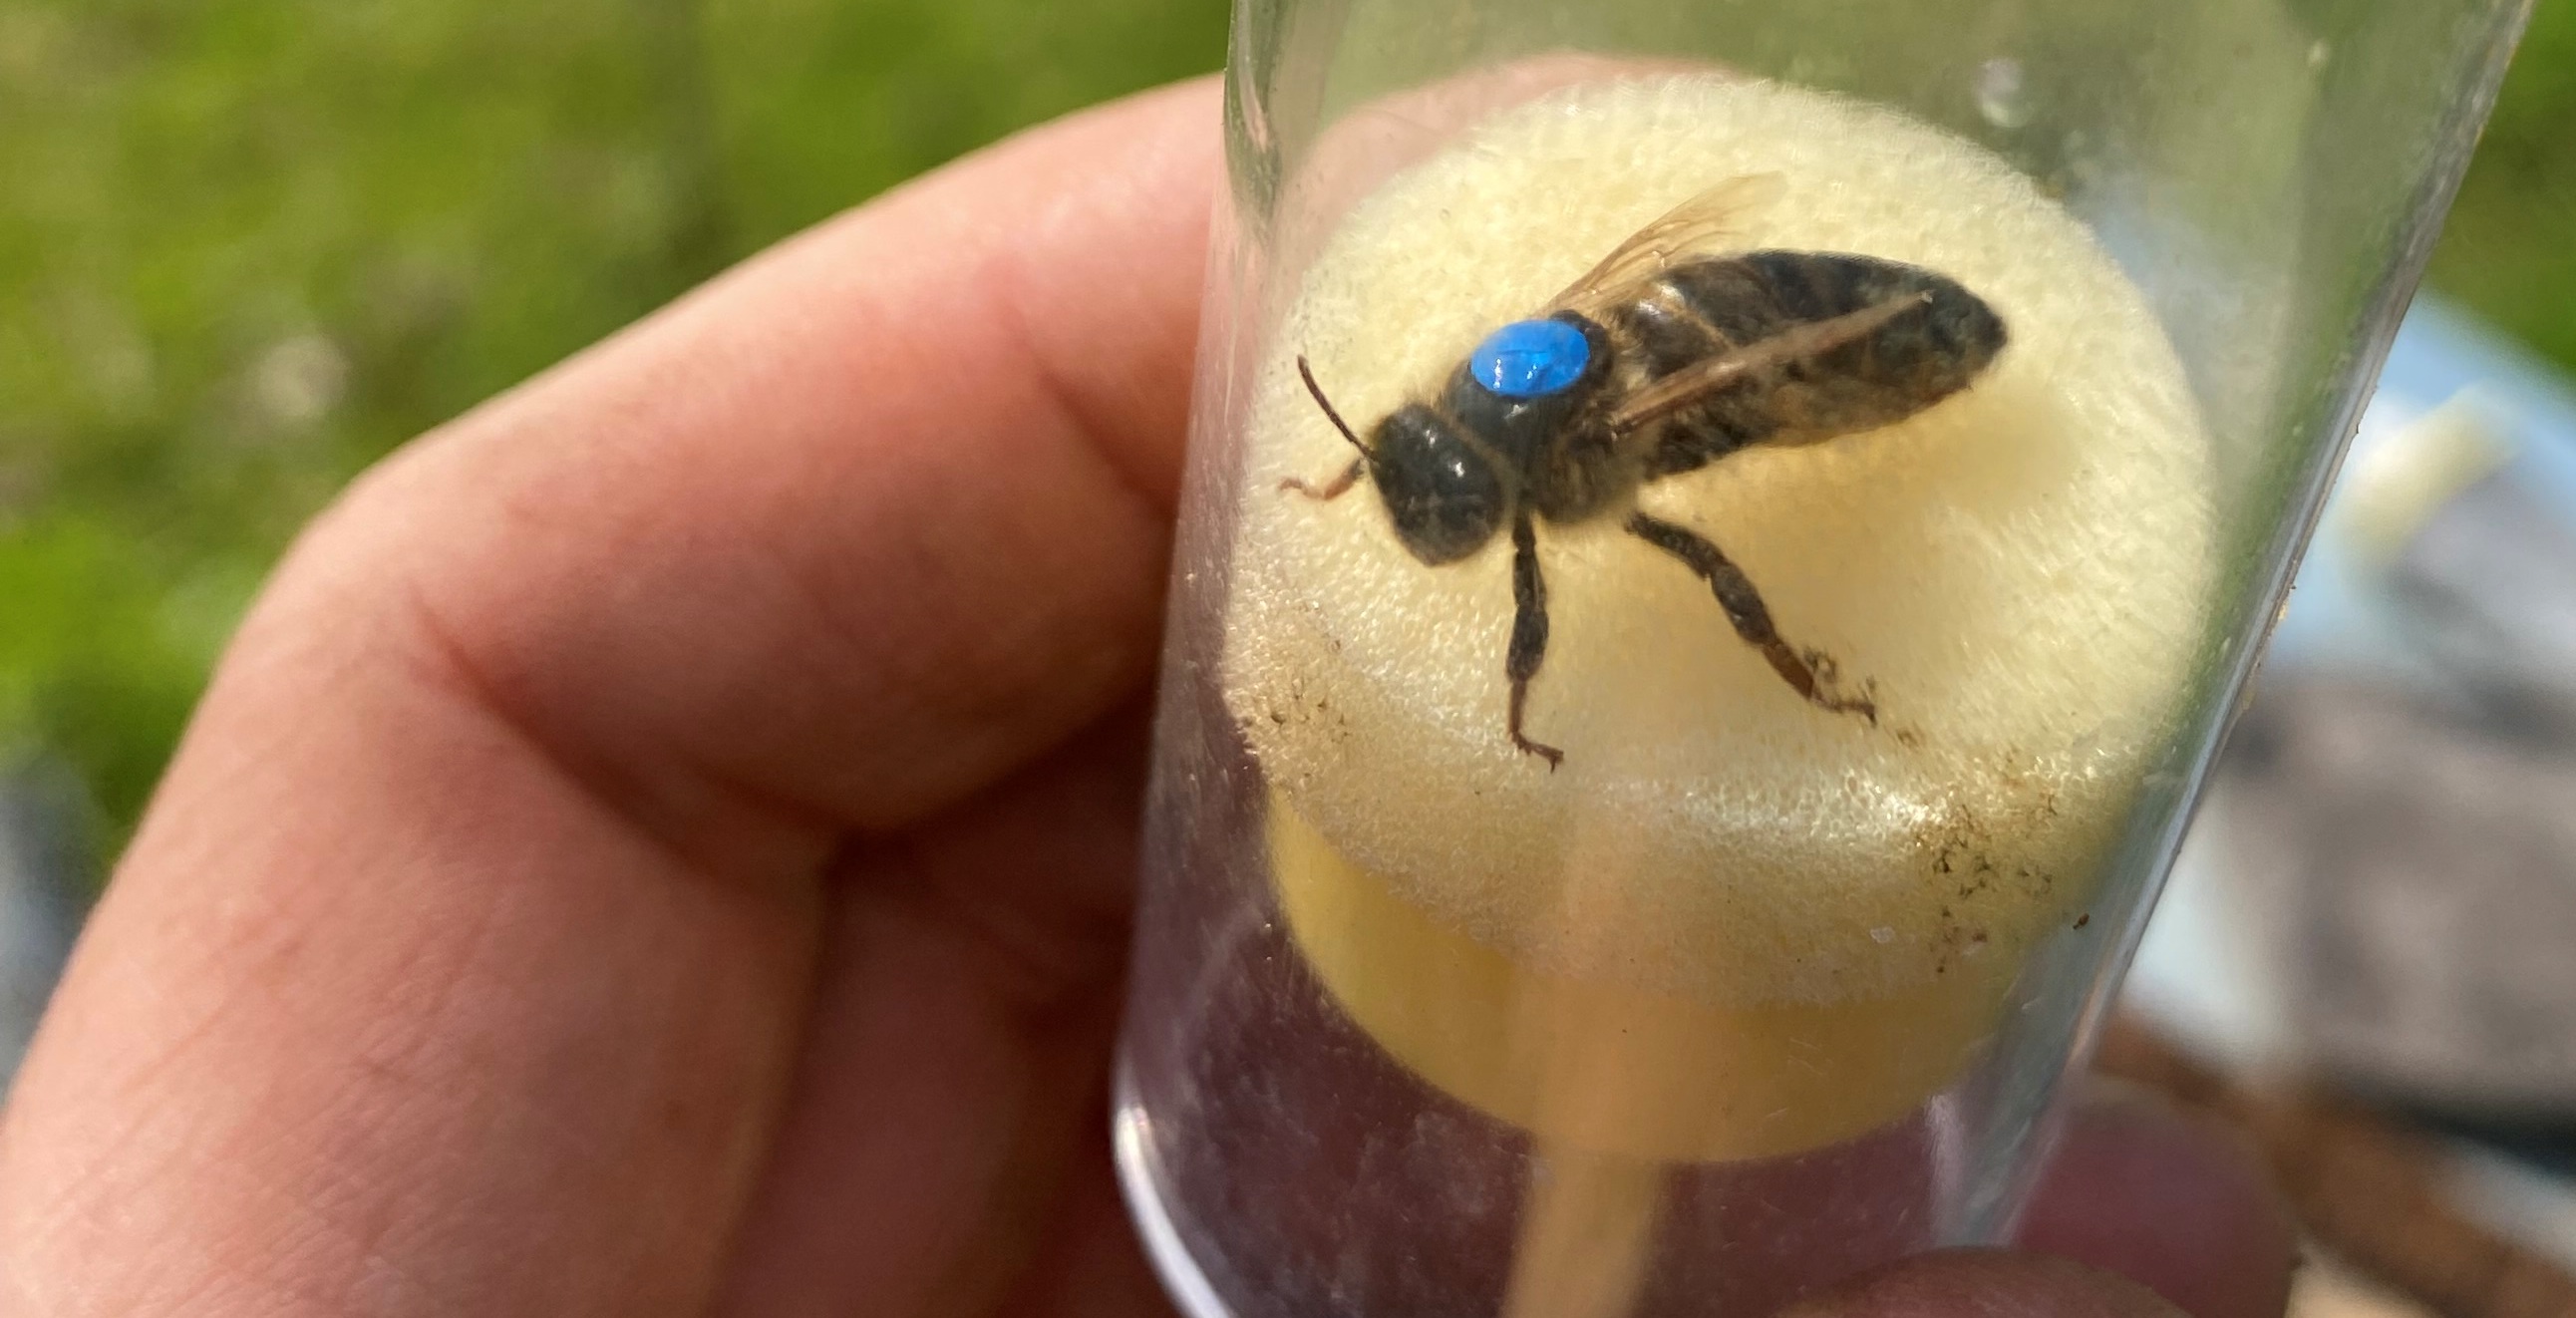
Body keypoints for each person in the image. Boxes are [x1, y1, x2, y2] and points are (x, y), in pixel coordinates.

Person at [0, 80, 2293, 1316]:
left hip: (1862, 346)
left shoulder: (1557, 435)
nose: (1405, 503)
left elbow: (1616, 437)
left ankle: (1822, 667)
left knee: (1697, 541)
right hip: (1229, 1167)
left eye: (1412, 481)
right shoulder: (1474, 393)